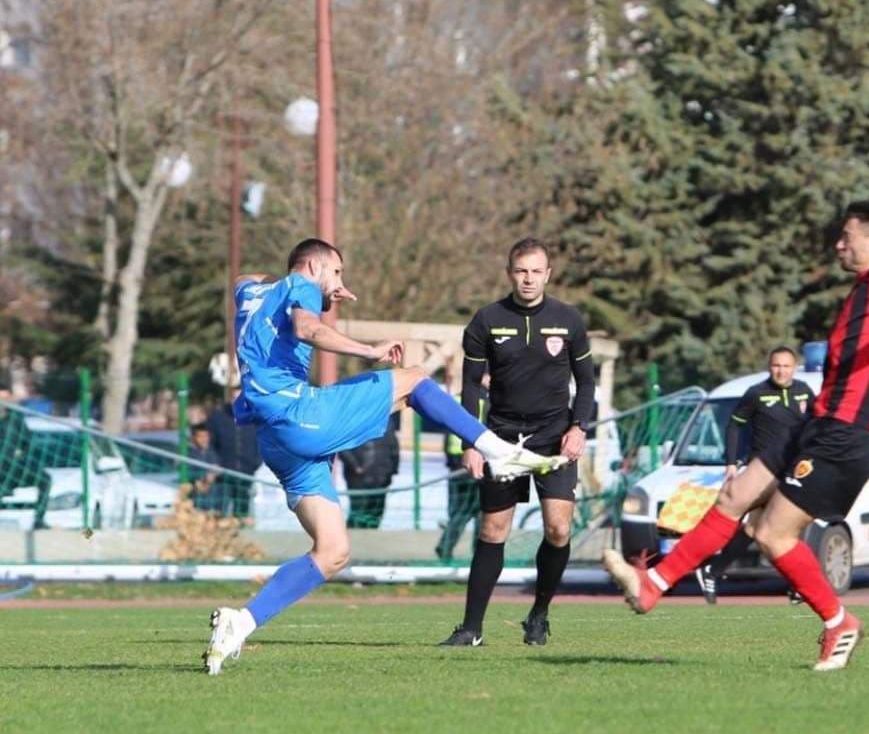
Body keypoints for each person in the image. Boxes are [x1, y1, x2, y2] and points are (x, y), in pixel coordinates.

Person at [604, 199, 869, 671]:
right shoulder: (863, 288)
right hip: (822, 420)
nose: (838, 245)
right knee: (736, 495)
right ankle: (653, 585)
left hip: (849, 429)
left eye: (846, 237)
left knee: (772, 533)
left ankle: (839, 623)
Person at [203, 238, 568, 675]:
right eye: (337, 273)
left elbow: (244, 278)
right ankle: (497, 450)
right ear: (314, 266)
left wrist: (316, 282)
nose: (339, 283)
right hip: (297, 415)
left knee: (333, 551)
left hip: (274, 441)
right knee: (412, 380)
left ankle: (240, 623)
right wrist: (368, 350)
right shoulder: (301, 286)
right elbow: (307, 329)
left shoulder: (252, 292)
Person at [439, 237, 595, 647]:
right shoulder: (487, 320)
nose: (528, 279)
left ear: (548, 274)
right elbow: (471, 387)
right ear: (510, 273)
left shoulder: (568, 319)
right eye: (521, 271)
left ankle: (539, 615)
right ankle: (471, 629)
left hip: (554, 437)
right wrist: (470, 442)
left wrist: (578, 427)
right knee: (493, 529)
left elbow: (586, 383)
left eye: (536, 271)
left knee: (558, 529)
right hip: (501, 438)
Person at [694, 346, 815, 604]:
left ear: (794, 368)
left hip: (792, 469)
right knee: (764, 528)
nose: (781, 371)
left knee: (771, 528)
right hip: (763, 471)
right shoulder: (757, 393)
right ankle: (796, 584)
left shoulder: (804, 391)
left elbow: (816, 426)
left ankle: (713, 570)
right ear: (769, 367)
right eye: (776, 366)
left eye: (786, 366)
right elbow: (734, 425)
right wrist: (731, 463)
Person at [435, 375, 489, 563]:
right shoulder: (486, 402)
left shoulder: (456, 400)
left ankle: (446, 547)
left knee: (458, 511)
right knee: (477, 511)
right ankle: (474, 551)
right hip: (476, 463)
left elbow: (447, 433)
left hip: (455, 464)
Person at [206, 388, 262, 518]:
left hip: (246, 472)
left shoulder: (255, 419)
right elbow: (210, 444)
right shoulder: (217, 418)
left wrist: (255, 463)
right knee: (219, 511)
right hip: (223, 473)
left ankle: (241, 527)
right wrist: (216, 462)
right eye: (234, 398)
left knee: (242, 510)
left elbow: (261, 443)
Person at [339, 412, 400, 529]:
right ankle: (354, 533)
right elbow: (342, 447)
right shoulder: (352, 420)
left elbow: (394, 447)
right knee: (359, 509)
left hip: (382, 475)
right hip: (358, 477)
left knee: (376, 510)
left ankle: (370, 533)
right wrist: (355, 466)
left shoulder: (386, 421)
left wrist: (393, 469)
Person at [185, 423, 221, 511]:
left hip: (213, 497)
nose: (204, 439)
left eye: (206, 436)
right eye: (200, 437)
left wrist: (214, 473)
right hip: (195, 497)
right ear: (194, 438)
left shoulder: (212, 453)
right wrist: (204, 478)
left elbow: (217, 468)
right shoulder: (189, 453)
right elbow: (190, 472)